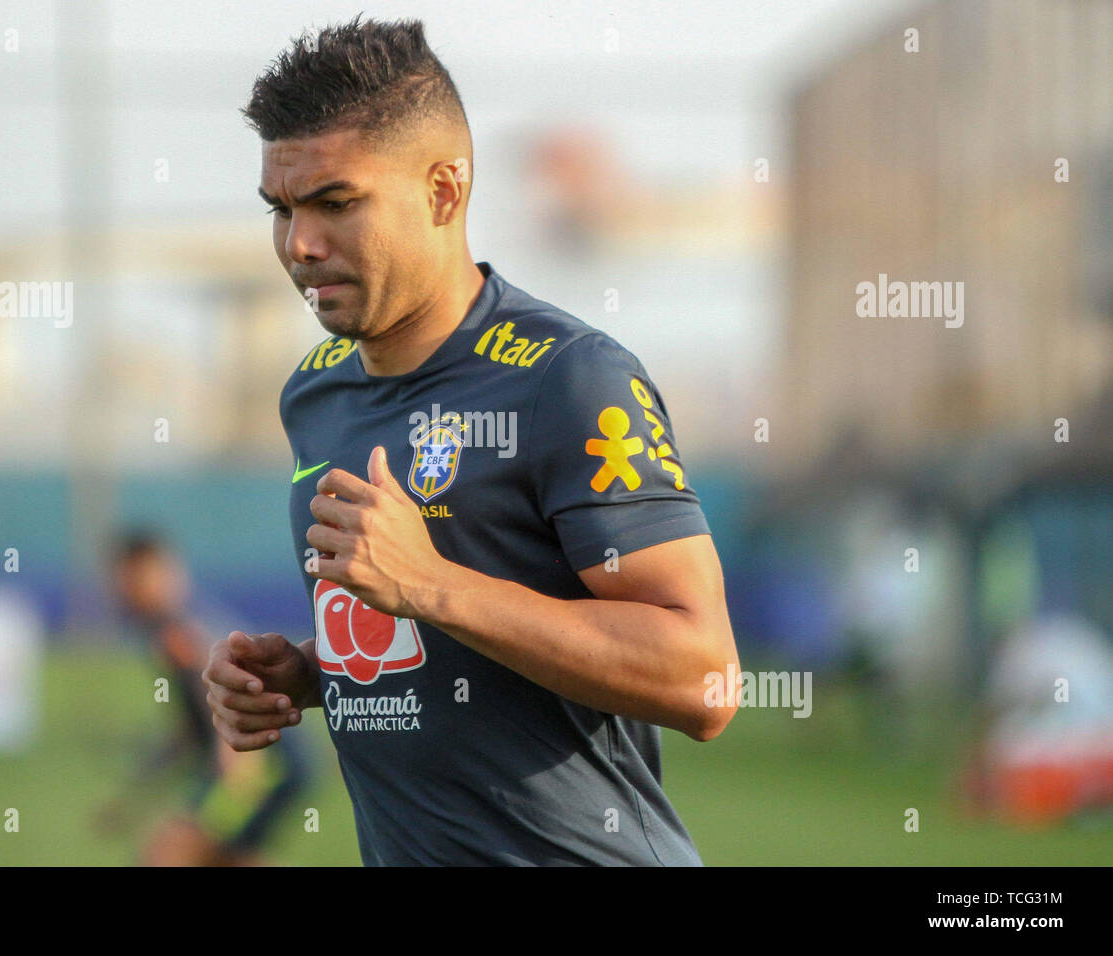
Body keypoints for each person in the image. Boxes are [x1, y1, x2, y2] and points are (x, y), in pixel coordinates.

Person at [204, 14, 739, 866]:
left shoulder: (571, 380)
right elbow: (436, 640)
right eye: (283, 208)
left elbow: (705, 679)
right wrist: (310, 675)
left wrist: (432, 585)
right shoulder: (316, 392)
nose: (299, 245)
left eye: (336, 202)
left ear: (444, 191)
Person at [102, 530, 312, 865]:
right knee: (225, 859)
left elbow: (221, 700)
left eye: (128, 578)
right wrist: (136, 794)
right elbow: (192, 726)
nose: (120, 591)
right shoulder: (175, 625)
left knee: (165, 855)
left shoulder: (177, 632)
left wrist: (233, 767)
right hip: (273, 763)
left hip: (256, 763)